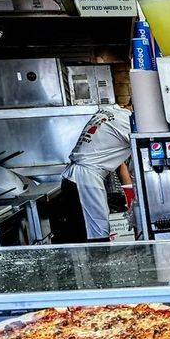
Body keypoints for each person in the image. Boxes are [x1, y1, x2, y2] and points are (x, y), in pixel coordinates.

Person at [55, 103, 132, 243]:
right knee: (97, 236)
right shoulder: (126, 122)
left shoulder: (109, 111)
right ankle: (97, 264)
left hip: (73, 177)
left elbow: (120, 161)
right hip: (86, 180)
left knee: (85, 234)